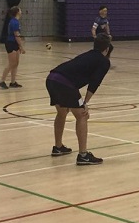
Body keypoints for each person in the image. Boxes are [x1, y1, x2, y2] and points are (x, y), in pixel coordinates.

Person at [46, 34, 113, 164]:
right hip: (64, 83)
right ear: (106, 49)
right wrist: (85, 103)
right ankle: (83, 155)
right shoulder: (104, 61)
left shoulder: (89, 54)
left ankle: (58, 147)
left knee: (62, 112)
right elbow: (95, 83)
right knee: (82, 115)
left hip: (52, 78)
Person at [0, 6, 26, 89]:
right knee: (11, 64)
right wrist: (21, 46)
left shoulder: (16, 21)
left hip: (15, 43)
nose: (21, 11)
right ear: (17, 12)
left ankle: (13, 82)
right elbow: (16, 35)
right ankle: (1, 81)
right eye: (20, 10)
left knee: (16, 63)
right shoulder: (14, 22)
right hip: (11, 43)